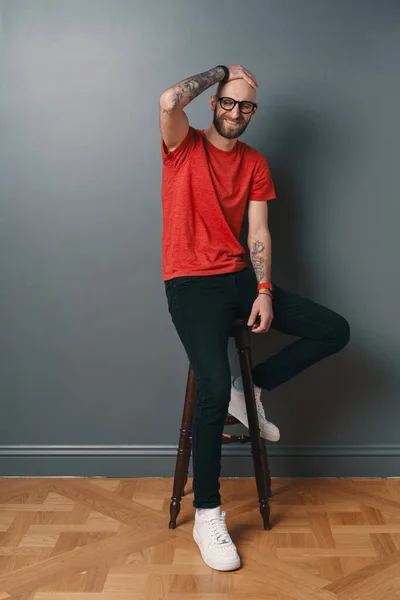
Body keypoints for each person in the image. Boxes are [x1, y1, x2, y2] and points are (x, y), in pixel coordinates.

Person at [159, 64, 350, 572]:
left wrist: (264, 290)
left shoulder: (256, 162)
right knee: (213, 388)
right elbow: (166, 100)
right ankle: (207, 513)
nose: (235, 112)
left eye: (245, 106)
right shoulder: (184, 146)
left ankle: (254, 391)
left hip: (241, 278)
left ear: (253, 113)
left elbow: (258, 230)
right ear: (213, 103)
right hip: (190, 284)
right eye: (227, 101)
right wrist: (223, 71)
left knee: (334, 330)